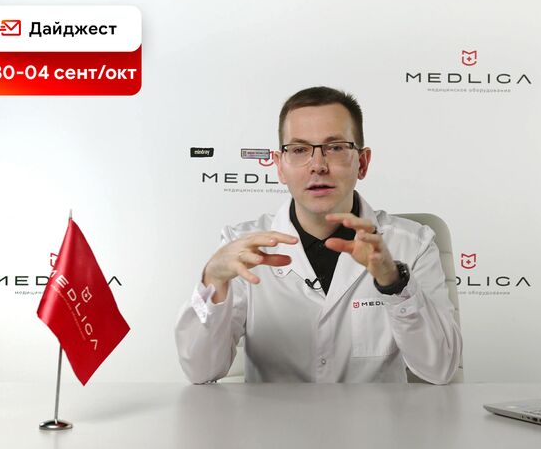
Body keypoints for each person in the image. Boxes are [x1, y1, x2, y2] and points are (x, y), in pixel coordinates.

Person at [175, 86, 462, 384]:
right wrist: (213, 281)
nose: (318, 166)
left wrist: (394, 283)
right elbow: (200, 371)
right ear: (280, 166)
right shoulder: (242, 246)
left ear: (362, 163)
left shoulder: (413, 243)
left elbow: (440, 368)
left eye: (335, 147)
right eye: (299, 150)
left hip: (374, 415)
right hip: (275, 415)